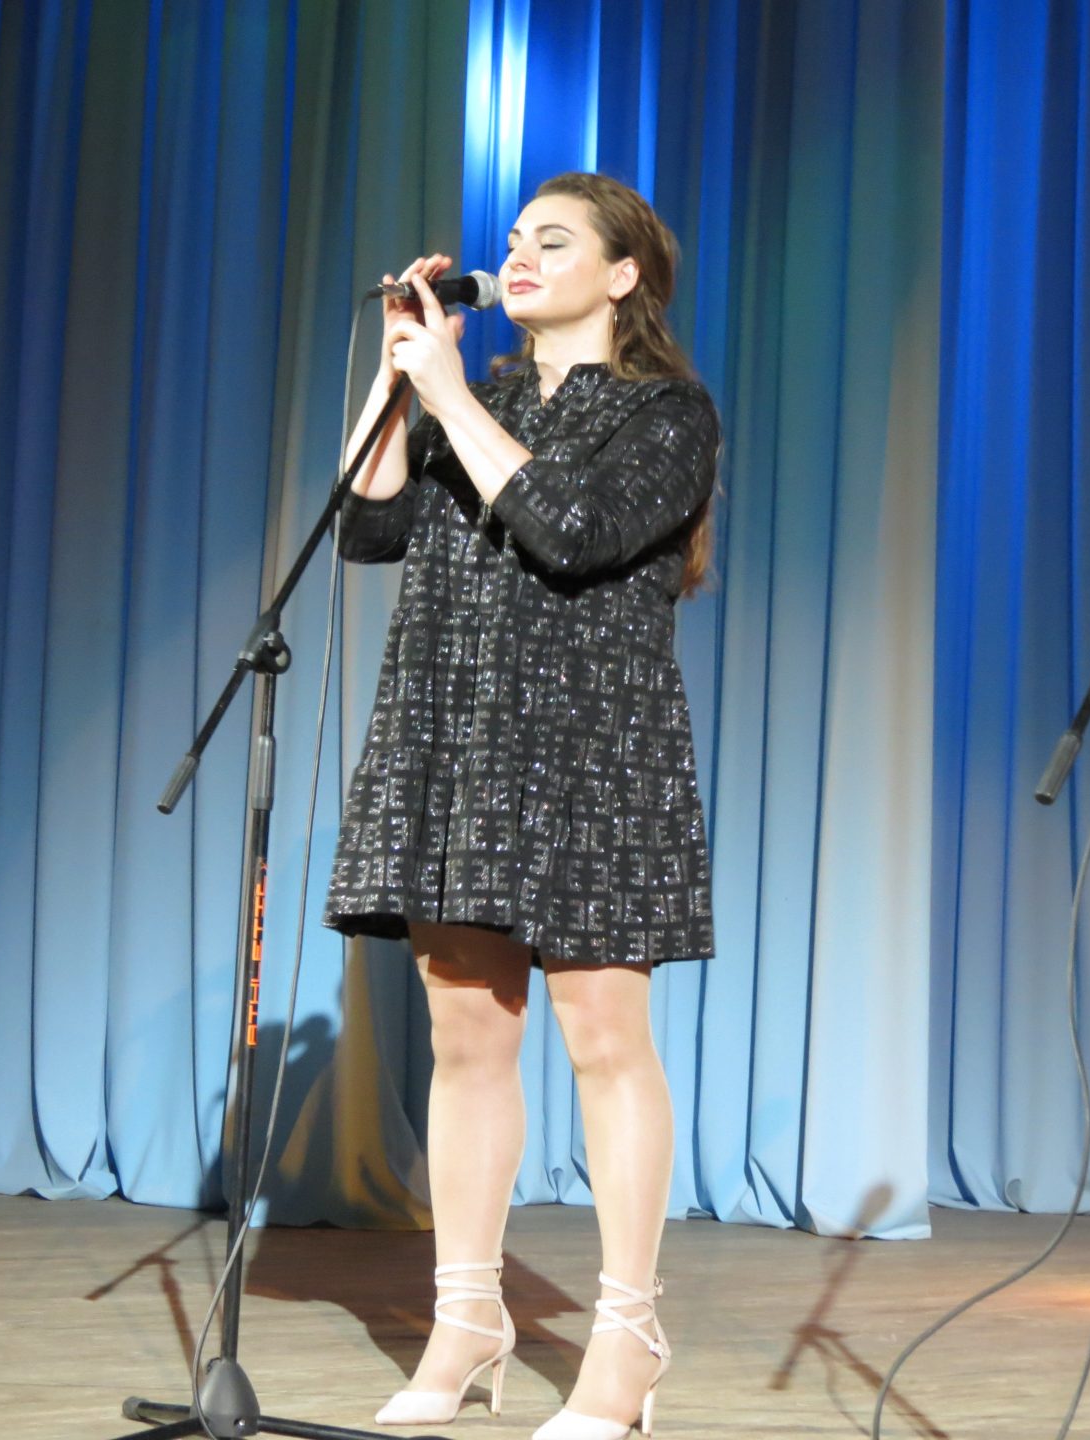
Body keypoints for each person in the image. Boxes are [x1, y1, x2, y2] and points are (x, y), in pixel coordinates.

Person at [323, 171, 719, 1440]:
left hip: (595, 750)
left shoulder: (667, 414)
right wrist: (402, 374)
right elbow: (367, 529)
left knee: (604, 1036)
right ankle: (466, 1316)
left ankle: (628, 1334)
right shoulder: (475, 396)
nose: (521, 255)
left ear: (622, 275)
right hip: (461, 733)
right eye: (514, 240)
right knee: (466, 1041)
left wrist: (449, 398)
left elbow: (570, 531)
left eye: (555, 240)